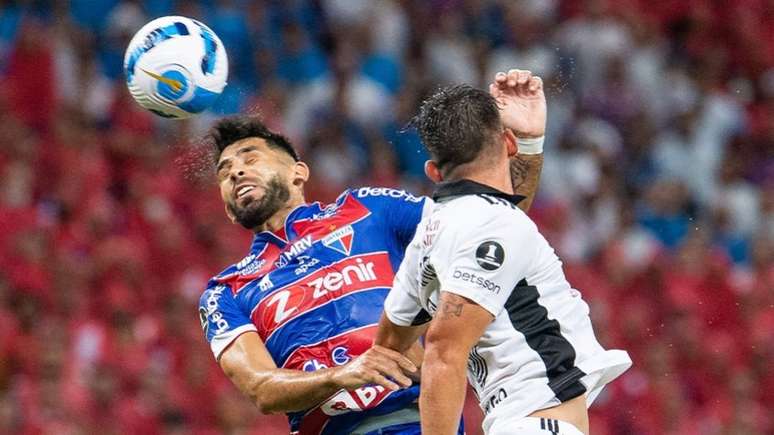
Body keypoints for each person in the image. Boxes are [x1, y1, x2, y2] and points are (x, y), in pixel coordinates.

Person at [197, 69, 547, 435]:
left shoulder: (369, 209)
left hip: (418, 422)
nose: (235, 173)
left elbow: (490, 223)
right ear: (226, 208)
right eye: (224, 172)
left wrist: (527, 142)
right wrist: (342, 376)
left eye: (250, 158)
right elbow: (261, 388)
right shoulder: (226, 291)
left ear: (298, 172)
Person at [374, 77, 632, 435]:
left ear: (433, 172)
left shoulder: (431, 237)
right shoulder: (493, 225)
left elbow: (387, 348)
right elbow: (443, 351)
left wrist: (529, 142)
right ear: (507, 143)